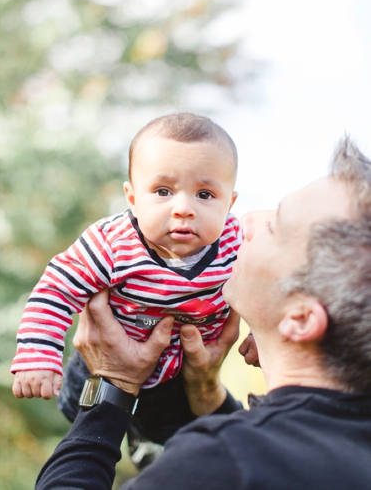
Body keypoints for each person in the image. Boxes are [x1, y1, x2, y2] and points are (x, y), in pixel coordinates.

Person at [36, 136, 371, 490]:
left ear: (300, 319)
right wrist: (209, 395)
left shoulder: (220, 462)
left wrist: (114, 383)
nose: (247, 221)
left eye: (275, 226)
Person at [12, 113, 241, 456]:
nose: (183, 208)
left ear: (230, 204)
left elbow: (269, 290)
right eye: (163, 191)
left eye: (205, 194)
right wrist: (37, 356)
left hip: (178, 379)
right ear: (132, 198)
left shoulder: (236, 246)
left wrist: (259, 339)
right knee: (83, 417)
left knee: (177, 437)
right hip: (98, 370)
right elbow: (55, 289)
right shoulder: (113, 243)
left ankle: (148, 443)